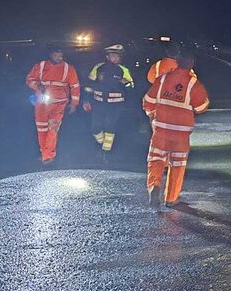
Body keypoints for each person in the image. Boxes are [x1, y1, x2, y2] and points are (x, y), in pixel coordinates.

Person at [142, 51, 209, 208]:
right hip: (181, 134)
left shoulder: (163, 79)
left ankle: (154, 185)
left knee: (155, 159)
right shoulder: (194, 84)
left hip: (161, 129)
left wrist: (152, 113)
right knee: (177, 166)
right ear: (192, 63)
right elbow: (202, 107)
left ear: (177, 61)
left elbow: (148, 101)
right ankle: (171, 199)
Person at [25, 44, 80, 164]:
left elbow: (75, 86)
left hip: (59, 104)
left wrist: (74, 103)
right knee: (41, 129)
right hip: (42, 104)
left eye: (61, 56)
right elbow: (29, 79)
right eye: (56, 55)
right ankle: (44, 152)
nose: (59, 58)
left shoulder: (68, 68)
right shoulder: (41, 66)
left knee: (53, 129)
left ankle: (48, 155)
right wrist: (38, 86)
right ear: (50, 55)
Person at [83, 44, 135, 154]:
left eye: (118, 56)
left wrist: (126, 84)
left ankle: (106, 152)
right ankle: (101, 143)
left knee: (110, 126)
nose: (116, 58)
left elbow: (131, 87)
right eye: (114, 56)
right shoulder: (98, 68)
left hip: (115, 105)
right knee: (95, 128)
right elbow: (89, 85)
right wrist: (86, 100)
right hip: (99, 103)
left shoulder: (123, 70)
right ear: (107, 56)